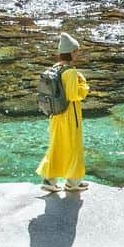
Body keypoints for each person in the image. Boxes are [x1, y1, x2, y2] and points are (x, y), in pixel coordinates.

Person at [37, 31, 90, 193]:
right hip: (69, 116)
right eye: (77, 51)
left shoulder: (55, 68)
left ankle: (49, 180)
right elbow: (75, 95)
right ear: (72, 52)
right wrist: (84, 85)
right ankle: (73, 182)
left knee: (57, 146)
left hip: (56, 115)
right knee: (73, 148)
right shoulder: (71, 72)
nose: (78, 54)